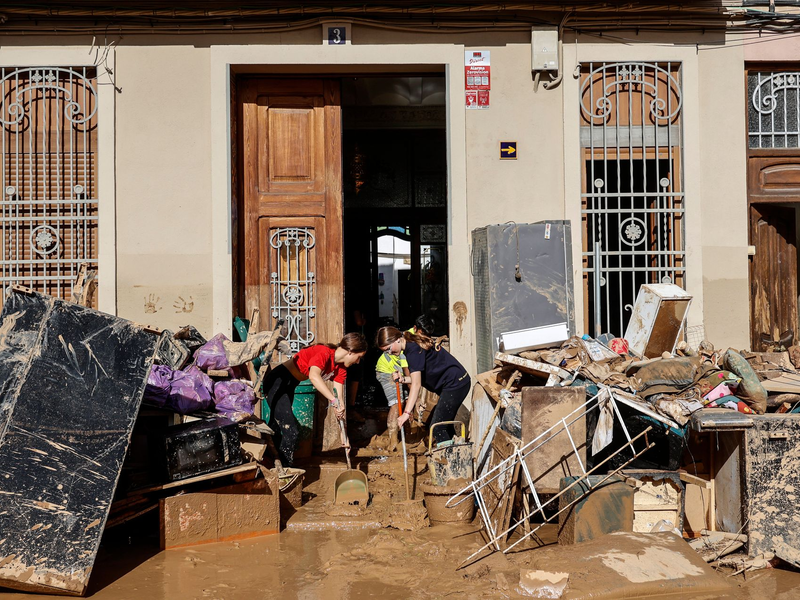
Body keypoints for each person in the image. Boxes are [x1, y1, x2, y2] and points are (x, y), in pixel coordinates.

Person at [262, 333, 367, 466]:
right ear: (351, 352)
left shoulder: (341, 369)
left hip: (290, 385)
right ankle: (285, 472)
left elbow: (339, 402)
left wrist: (343, 434)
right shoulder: (324, 352)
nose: (357, 362)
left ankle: (272, 466)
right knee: (290, 431)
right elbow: (314, 376)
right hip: (277, 382)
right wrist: (333, 400)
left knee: (278, 428)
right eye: (359, 358)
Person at [375, 323, 471, 446]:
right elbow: (417, 378)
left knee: (437, 428)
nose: (389, 353)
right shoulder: (410, 345)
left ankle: (450, 460)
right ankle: (454, 453)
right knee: (444, 425)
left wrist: (406, 413)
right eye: (385, 351)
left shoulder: (413, 351)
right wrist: (403, 379)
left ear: (397, 339)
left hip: (456, 383)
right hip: (452, 383)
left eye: (388, 349)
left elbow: (416, 384)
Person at [374, 337, 410, 451]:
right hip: (387, 371)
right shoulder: (403, 351)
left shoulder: (409, 346)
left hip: (399, 372)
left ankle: (407, 435)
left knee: (407, 400)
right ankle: (393, 441)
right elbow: (407, 372)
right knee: (396, 403)